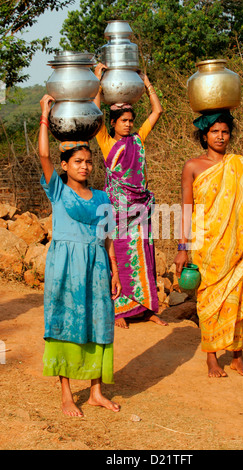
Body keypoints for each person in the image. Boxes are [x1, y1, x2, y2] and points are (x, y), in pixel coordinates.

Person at [39, 94, 122, 417]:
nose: (85, 166)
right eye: (77, 162)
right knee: (65, 323)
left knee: (98, 323)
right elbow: (44, 153)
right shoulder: (57, 190)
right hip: (65, 265)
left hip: (96, 264)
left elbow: (108, 236)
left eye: (88, 162)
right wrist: (45, 115)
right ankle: (66, 394)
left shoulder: (102, 196)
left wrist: (114, 268)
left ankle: (96, 392)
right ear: (65, 165)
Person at [174, 111, 243, 378]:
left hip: (236, 244)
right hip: (207, 244)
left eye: (225, 132)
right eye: (214, 132)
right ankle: (212, 357)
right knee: (209, 300)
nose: (220, 136)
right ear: (205, 136)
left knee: (237, 298)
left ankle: (237, 357)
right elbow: (186, 208)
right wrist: (183, 248)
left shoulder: (239, 163)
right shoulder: (192, 166)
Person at [93, 63, 168, 329]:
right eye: (123, 121)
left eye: (131, 121)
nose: (128, 125)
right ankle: (121, 310)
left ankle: (147, 308)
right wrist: (98, 79)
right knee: (121, 256)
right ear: (112, 123)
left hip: (141, 207)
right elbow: (94, 111)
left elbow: (157, 111)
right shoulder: (106, 141)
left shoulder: (137, 140)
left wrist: (147, 84)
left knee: (145, 256)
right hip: (117, 209)